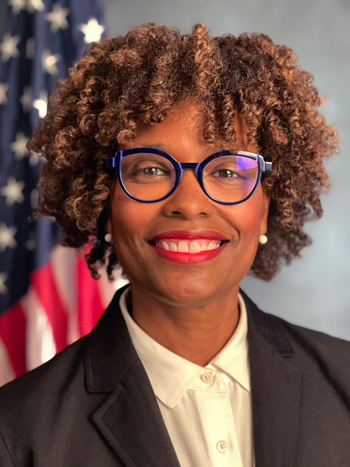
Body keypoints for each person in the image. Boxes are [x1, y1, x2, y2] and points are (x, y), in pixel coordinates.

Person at [0, 23, 349, 467]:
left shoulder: (343, 383)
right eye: (149, 169)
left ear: (266, 205)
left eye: (226, 171)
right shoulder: (16, 433)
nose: (189, 204)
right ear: (102, 199)